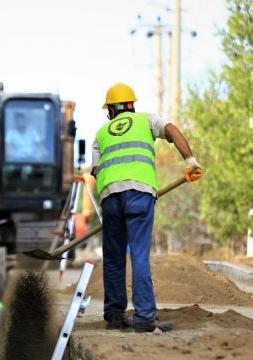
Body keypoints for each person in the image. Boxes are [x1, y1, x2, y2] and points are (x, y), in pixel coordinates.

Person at [91, 83, 203, 333]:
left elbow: (97, 172)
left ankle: (115, 316)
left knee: (113, 259)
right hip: (140, 194)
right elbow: (172, 130)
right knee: (139, 256)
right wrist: (190, 161)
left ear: (111, 110)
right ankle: (143, 318)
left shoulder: (100, 134)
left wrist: (113, 198)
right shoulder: (146, 120)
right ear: (131, 105)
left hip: (110, 196)